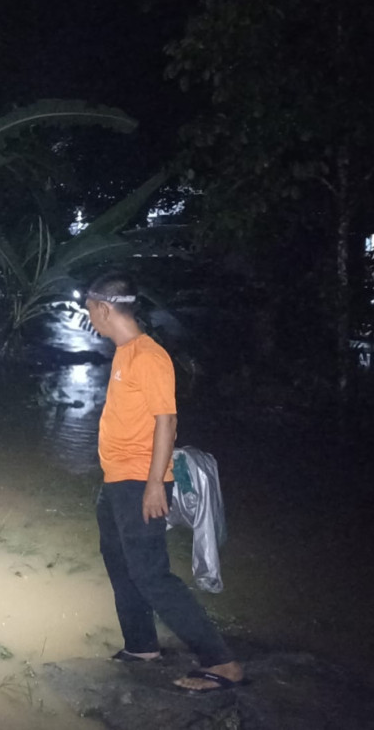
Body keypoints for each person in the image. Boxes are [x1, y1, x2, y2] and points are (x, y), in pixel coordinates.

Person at [84, 272, 245, 693]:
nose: (89, 317)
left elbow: (166, 420)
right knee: (120, 563)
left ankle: (221, 662)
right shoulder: (125, 352)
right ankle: (141, 645)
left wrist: (157, 483)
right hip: (117, 480)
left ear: (103, 308)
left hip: (140, 481)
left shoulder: (149, 356)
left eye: (89, 309)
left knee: (151, 574)